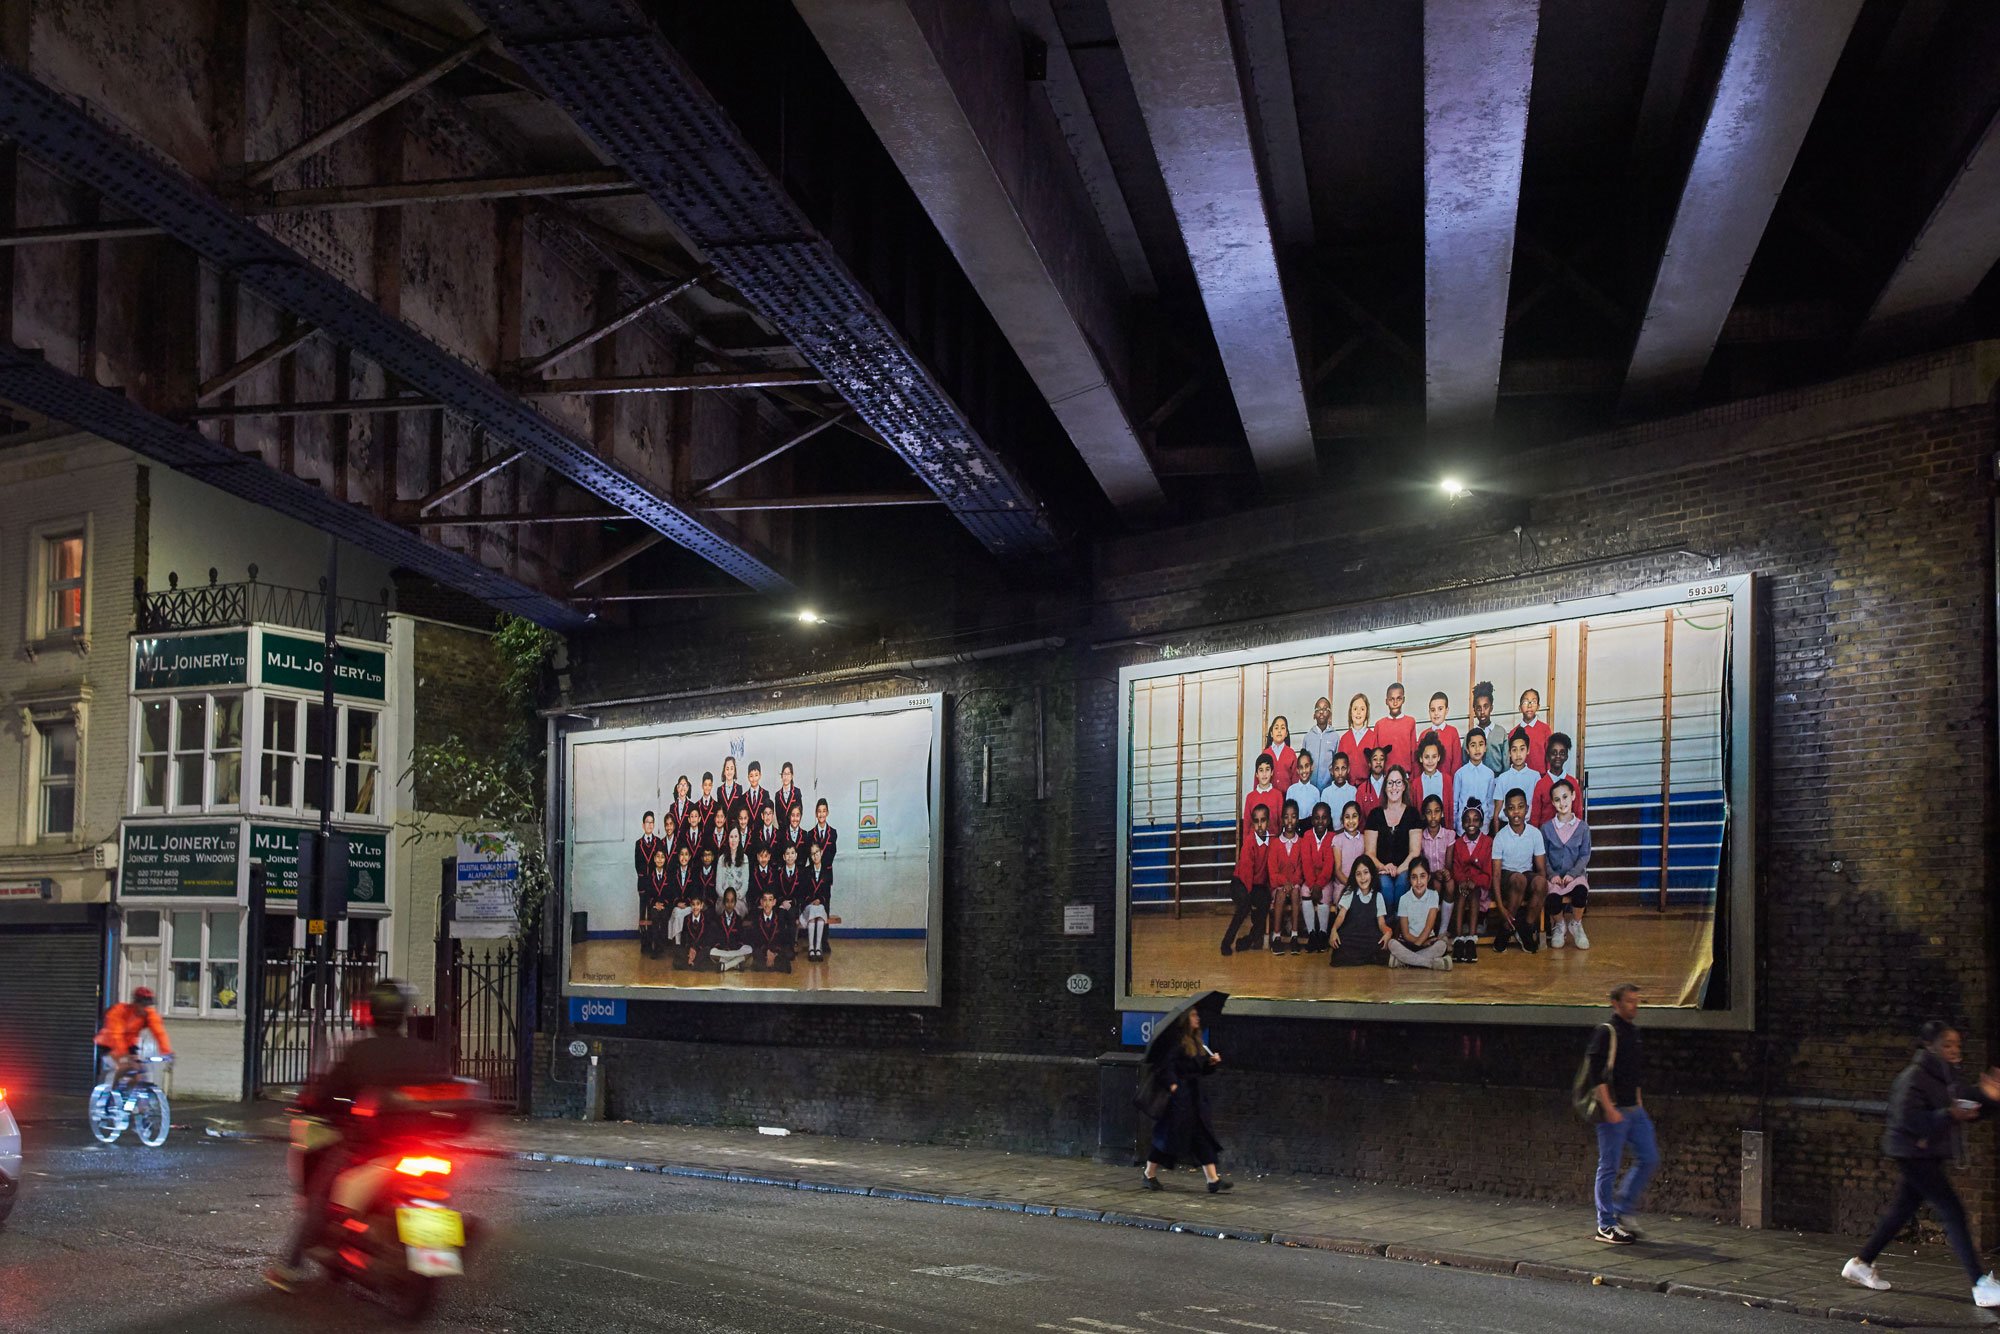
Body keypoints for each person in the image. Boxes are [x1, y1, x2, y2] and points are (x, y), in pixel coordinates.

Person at [265, 979, 447, 1291]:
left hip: (370, 1146)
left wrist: (315, 1103)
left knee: (320, 1192)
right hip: (418, 1144)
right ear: (402, 1014)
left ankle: (290, 1267)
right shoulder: (423, 1051)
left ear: (374, 1013)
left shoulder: (361, 1052)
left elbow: (328, 1093)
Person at [1841, 1021, 2000, 1305]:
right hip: (1912, 1152)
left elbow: (1965, 1105)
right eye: (1947, 1044)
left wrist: (1989, 1097)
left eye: (1957, 1044)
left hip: (1926, 1153)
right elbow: (1908, 1119)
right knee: (1953, 1211)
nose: (1954, 1049)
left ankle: (1861, 1263)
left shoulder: (1947, 1075)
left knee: (1901, 1211)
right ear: (1930, 1045)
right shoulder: (1914, 1077)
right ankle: (1979, 1284)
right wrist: (1949, 1114)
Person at [1585, 984, 1657, 1245]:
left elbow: (1634, 1073)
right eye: (1629, 1001)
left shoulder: (1634, 1033)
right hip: (1613, 1110)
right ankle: (1605, 1225)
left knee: (1649, 1157)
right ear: (1616, 1003)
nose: (1634, 1005)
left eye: (1637, 1000)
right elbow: (1596, 1074)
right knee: (1609, 1166)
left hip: (1633, 1110)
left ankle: (1623, 1211)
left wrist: (1638, 1103)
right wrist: (1609, 1108)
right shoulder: (1606, 1032)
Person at [1140, 1007, 1231, 1193]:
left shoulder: (1195, 1041)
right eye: (1193, 1015)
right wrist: (1173, 1085)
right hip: (1179, 1099)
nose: (1197, 1018)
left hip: (1194, 1097)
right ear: (1185, 1020)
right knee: (1167, 1136)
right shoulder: (1176, 1042)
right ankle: (1149, 1173)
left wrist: (1210, 1063)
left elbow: (1199, 1069)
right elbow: (1165, 1066)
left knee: (1202, 1135)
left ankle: (1213, 1179)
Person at [1491, 790, 1547, 953]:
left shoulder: (1535, 834)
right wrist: (1501, 908)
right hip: (1507, 879)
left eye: (1520, 807)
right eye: (1511, 808)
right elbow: (1496, 875)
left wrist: (1540, 892)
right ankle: (1505, 927)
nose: (1516, 812)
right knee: (1518, 879)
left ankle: (1526, 928)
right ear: (1505, 812)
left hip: (1526, 875)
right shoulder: (1500, 837)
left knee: (1541, 881)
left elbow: (1541, 869)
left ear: (1527, 809)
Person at [1363, 767, 1423, 916]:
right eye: (1390, 783)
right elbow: (1369, 853)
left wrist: (1399, 869)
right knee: (1385, 886)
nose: (1394, 787)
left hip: (1406, 868)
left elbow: (1415, 852)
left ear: (1404, 786)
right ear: (1385, 788)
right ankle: (1388, 924)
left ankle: (1400, 924)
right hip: (1381, 869)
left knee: (1402, 883)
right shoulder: (1375, 815)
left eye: (1398, 782)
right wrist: (1384, 867)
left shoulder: (1413, 814)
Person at [1542, 779, 1592, 950]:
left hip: (1575, 876)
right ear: (1552, 802)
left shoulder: (1583, 828)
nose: (1562, 803)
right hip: (1554, 877)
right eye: (1557, 799)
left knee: (1580, 892)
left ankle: (1576, 924)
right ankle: (1560, 925)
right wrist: (1552, 874)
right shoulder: (1546, 828)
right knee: (1552, 898)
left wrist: (1573, 873)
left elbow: (1584, 855)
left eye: (1565, 797)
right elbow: (1543, 856)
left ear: (1573, 796)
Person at [95, 986, 173, 1091]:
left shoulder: (149, 1014)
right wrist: (124, 1056)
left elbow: (159, 1033)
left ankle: (128, 1096)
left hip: (129, 1045)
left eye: (148, 1005)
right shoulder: (119, 1011)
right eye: (143, 1005)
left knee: (139, 1073)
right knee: (123, 1066)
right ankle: (111, 1092)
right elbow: (116, 1035)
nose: (146, 1008)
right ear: (135, 1003)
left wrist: (167, 1052)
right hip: (108, 1044)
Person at [1221, 803, 1274, 956]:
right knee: (1244, 905)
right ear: (1252, 823)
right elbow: (1246, 873)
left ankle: (1246, 941)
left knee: (1265, 902)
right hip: (1240, 883)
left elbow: (1269, 870)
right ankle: (1226, 942)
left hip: (1257, 884)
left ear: (1268, 821)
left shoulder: (1272, 842)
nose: (1260, 825)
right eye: (1256, 821)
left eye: (1263, 820)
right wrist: (1251, 898)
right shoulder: (1250, 842)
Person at [1447, 800, 1493, 963]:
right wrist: (1462, 881)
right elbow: (1456, 868)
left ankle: (1472, 939)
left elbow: (1488, 872)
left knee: (1474, 892)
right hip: (1463, 886)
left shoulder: (1487, 842)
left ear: (1481, 822)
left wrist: (1474, 881)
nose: (1471, 824)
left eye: (1475, 820)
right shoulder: (1459, 843)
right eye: (1467, 820)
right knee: (1461, 893)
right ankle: (1459, 939)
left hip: (1480, 887)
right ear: (1462, 823)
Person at [1388, 861, 1452, 971]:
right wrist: (1418, 944)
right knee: (1392, 943)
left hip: (1427, 940)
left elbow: (1428, 927)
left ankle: (1404, 961)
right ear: (1409, 879)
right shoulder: (1404, 899)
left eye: (1422, 876)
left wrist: (1422, 943)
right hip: (1408, 942)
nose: (1418, 882)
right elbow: (1406, 933)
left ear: (1428, 877)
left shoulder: (1433, 895)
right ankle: (1431, 964)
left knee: (1441, 945)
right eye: (1414, 877)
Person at [1327, 855, 1390, 967]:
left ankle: (1362, 957)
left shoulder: (1378, 896)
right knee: (1340, 946)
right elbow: (1341, 916)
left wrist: (1388, 932)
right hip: (1352, 936)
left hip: (1369, 936)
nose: (1363, 878)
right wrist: (1334, 930)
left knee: (1381, 944)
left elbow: (1381, 923)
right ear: (1354, 876)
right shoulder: (1349, 893)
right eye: (1358, 874)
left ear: (1372, 874)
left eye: (1366, 872)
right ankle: (1367, 958)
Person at [1298, 801, 1341, 952]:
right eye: (1317, 818)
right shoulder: (1307, 836)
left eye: (1324, 818)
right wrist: (1312, 884)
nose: (1320, 821)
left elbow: (1329, 865)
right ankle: (1312, 933)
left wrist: (1319, 885)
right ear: (1312, 820)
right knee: (1304, 891)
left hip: (1325, 880)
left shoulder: (1332, 837)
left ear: (1329, 820)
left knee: (1326, 893)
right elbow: (1306, 862)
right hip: (1310, 880)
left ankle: (1322, 932)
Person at [1266, 800, 1306, 955]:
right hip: (1278, 886)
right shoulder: (1275, 844)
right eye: (1286, 817)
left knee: (1295, 892)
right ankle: (1277, 936)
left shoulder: (1301, 843)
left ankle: (1294, 935)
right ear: (1282, 819)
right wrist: (1284, 883)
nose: (1290, 821)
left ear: (1298, 819)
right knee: (1281, 894)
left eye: (1293, 817)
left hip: (1294, 885)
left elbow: (1300, 869)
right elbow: (1273, 872)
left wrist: (1292, 883)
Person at [1418, 794, 1456, 932]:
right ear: (1423, 815)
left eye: (1437, 811)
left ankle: (1443, 929)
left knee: (1450, 885)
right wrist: (1433, 874)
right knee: (1436, 885)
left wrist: (1446, 872)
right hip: (1429, 876)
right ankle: (1431, 928)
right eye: (1429, 812)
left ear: (1442, 813)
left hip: (1444, 874)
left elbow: (1449, 864)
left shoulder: (1449, 834)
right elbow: (1421, 864)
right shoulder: (1421, 836)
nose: (1433, 816)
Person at [1491, 729, 1541, 833]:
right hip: (1506, 826)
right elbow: (1497, 812)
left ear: (1528, 750)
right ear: (1509, 752)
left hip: (1528, 826)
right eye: (1514, 750)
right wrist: (1497, 835)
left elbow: (1538, 808)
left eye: (1522, 749)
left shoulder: (1535, 776)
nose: (1518, 754)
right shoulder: (1503, 778)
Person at [1532, 732, 1586, 826]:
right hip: (1546, 833)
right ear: (1547, 756)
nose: (1558, 756)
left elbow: (1578, 812)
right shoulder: (1540, 784)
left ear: (1566, 756)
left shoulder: (1572, 782)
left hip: (1568, 832)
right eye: (1554, 753)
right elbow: (1535, 817)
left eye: (1562, 753)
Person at [1452, 729, 1496, 833]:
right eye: (1473, 745)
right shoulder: (1460, 774)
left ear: (1485, 748)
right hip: (1462, 827)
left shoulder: (1489, 774)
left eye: (1481, 744)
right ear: (1467, 749)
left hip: (1483, 826)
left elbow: (1490, 802)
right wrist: (1455, 824)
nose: (1477, 749)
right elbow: (1455, 802)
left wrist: (1488, 820)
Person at [1373, 683, 1418, 775]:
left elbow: (1414, 753)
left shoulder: (1410, 722)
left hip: (1405, 775)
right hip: (1385, 776)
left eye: (1399, 699)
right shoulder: (1379, 725)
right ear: (1386, 701)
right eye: (1391, 699)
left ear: (1403, 700)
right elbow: (1376, 755)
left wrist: (1414, 777)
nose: (1395, 703)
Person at [800, 841, 834, 961]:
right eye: (812, 854)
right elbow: (803, 892)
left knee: (819, 911)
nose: (815, 856)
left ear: (821, 852)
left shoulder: (827, 871)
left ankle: (817, 948)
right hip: (808, 906)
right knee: (814, 910)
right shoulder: (806, 871)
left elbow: (827, 893)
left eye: (817, 852)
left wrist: (820, 900)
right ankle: (811, 948)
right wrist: (811, 901)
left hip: (821, 905)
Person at [638, 846, 673, 958]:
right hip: (653, 905)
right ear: (654, 859)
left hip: (665, 905)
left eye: (662, 857)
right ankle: (656, 946)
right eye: (657, 857)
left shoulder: (669, 876)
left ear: (665, 859)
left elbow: (670, 894)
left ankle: (662, 945)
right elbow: (648, 895)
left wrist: (663, 904)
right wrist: (655, 904)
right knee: (654, 915)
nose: (660, 859)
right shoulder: (649, 876)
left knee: (664, 915)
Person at [749, 889, 794, 973]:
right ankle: (771, 965)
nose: (767, 903)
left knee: (788, 957)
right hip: (763, 951)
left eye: (770, 900)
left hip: (776, 951)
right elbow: (755, 941)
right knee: (756, 956)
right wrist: (767, 952)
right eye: (765, 900)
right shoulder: (756, 919)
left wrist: (773, 954)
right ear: (761, 902)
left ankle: (771, 963)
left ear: (774, 902)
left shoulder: (780, 918)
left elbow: (783, 940)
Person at [1408, 733, 1452, 818]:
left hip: (1442, 822)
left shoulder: (1447, 780)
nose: (1430, 761)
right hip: (1423, 823)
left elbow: (1450, 809)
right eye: (1426, 757)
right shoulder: (1415, 784)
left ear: (1439, 757)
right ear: (1421, 758)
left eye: (1434, 757)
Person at [1469, 681, 1507, 776]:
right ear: (1474, 710)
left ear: (1491, 708)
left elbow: (1506, 763)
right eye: (1478, 708)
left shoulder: (1501, 732)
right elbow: (1465, 762)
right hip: (1475, 779)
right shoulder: (1470, 735)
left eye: (1486, 707)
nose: (1482, 712)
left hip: (1497, 779)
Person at [709, 889, 752, 972]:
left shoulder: (739, 919)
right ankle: (735, 964)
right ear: (723, 902)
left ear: (735, 903)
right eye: (727, 901)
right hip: (723, 952)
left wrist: (734, 949)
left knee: (749, 949)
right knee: (711, 952)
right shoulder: (718, 920)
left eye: (732, 901)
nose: (729, 904)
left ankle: (725, 966)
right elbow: (716, 939)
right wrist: (723, 948)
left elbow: (741, 939)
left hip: (735, 952)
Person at [1300, 696, 1339, 785]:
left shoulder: (1335, 737)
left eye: (1325, 709)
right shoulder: (1308, 737)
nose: (1321, 712)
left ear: (1330, 714)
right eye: (1318, 709)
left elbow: (1337, 763)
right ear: (1314, 715)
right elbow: (1303, 762)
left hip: (1328, 787)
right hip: (1310, 787)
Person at [1336, 693, 1375, 782]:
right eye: (1355, 709)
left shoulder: (1373, 737)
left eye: (1362, 709)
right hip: (1348, 786)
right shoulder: (1344, 739)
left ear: (1367, 713)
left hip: (1367, 786)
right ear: (1350, 712)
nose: (1358, 712)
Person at [1285, 749, 1325, 834]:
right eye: (1301, 767)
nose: (1304, 771)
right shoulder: (1291, 790)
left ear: (1311, 767)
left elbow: (1316, 814)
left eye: (1306, 766)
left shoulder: (1315, 792)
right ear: (1297, 770)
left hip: (1310, 829)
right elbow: (1288, 813)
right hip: (1295, 829)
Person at [1243, 752, 1284, 834]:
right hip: (1255, 841)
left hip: (1273, 840)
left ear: (1272, 772)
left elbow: (1280, 823)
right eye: (1261, 770)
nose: (1264, 774)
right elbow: (1246, 826)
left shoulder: (1278, 795)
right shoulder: (1250, 797)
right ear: (1256, 774)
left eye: (1267, 769)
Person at [1422, 691, 1463, 774]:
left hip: (1448, 780)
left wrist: (1452, 781)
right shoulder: (1423, 734)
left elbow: (1457, 762)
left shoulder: (1453, 732)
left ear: (1446, 710)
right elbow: (1418, 764)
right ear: (1429, 712)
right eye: (1432, 710)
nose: (1436, 713)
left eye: (1440, 709)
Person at [1319, 750, 1359, 834]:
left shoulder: (1353, 791)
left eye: (1343, 768)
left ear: (1348, 769)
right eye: (1337, 769)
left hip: (1349, 833)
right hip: (1331, 833)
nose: (1340, 773)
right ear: (1332, 771)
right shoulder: (1326, 793)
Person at [1514, 688, 1552, 774]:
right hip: (1520, 777)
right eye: (1525, 702)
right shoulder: (1514, 732)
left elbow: (1549, 756)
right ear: (1520, 708)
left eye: (1534, 702)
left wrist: (1548, 777)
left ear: (1538, 707)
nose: (1529, 705)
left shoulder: (1545, 729)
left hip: (1541, 777)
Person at [676, 894, 714, 971]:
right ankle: (695, 964)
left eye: (698, 904)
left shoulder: (707, 919)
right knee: (677, 949)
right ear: (690, 905)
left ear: (701, 906)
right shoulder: (686, 919)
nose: (695, 907)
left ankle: (690, 964)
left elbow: (707, 939)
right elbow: (684, 938)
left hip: (700, 949)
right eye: (693, 904)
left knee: (707, 950)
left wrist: (695, 949)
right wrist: (690, 949)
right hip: (689, 949)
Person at [1262, 714, 1298, 792]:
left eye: (1282, 728)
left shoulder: (1291, 754)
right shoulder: (1265, 754)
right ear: (1271, 733)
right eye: (1276, 728)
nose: (1279, 731)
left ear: (1286, 733)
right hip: (1269, 796)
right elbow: (1258, 779)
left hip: (1287, 797)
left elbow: (1295, 779)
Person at [717, 826, 749, 911]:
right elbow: (718, 887)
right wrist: (727, 897)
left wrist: (734, 897)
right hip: (724, 898)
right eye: (731, 837)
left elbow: (745, 885)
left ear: (739, 839)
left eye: (736, 836)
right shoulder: (722, 859)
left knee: (736, 908)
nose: (733, 840)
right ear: (728, 839)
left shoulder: (744, 858)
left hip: (739, 899)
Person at [1355, 746, 1389, 824]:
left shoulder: (1391, 786)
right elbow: (1360, 818)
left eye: (1381, 759)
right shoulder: (1361, 789)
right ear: (1369, 764)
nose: (1378, 762)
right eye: (1375, 759)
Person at [633, 811, 662, 898]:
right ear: (643, 825)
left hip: (655, 883)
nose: (649, 825)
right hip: (643, 883)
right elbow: (637, 865)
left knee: (654, 905)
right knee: (643, 905)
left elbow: (660, 863)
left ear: (654, 825)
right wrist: (643, 877)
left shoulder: (658, 841)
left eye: (651, 822)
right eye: (647, 822)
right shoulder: (638, 843)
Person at [807, 798, 838, 868]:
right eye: (819, 811)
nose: (821, 814)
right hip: (814, 871)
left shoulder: (833, 833)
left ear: (827, 813)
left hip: (827, 871)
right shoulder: (810, 834)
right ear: (816, 814)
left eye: (824, 811)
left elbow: (832, 853)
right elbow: (810, 855)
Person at [742, 760, 770, 828]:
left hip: (761, 831)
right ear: (748, 777)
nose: (754, 779)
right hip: (747, 831)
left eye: (756, 775)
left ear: (760, 775)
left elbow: (767, 814)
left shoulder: (765, 794)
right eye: (751, 776)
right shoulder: (743, 797)